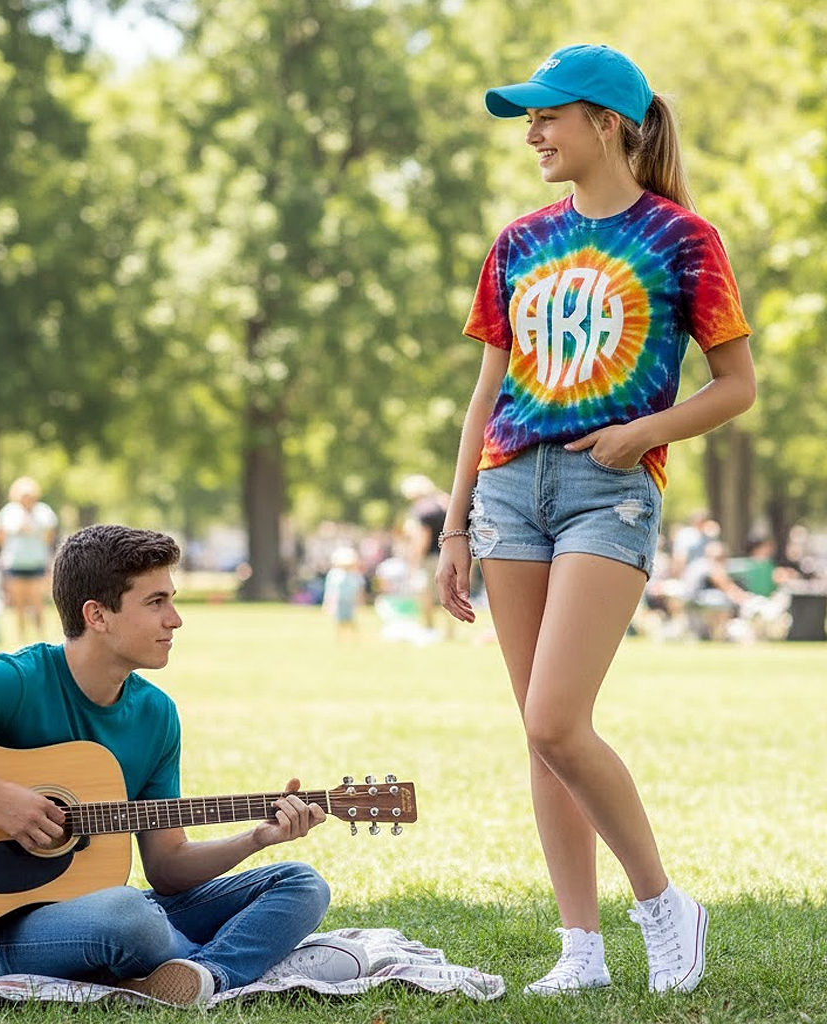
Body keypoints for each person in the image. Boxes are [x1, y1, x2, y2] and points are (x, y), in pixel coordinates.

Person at [434, 44, 755, 996]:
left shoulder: (683, 239)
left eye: (548, 117)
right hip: (506, 494)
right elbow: (485, 394)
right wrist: (453, 529)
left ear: (608, 123)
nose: (532, 133)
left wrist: (640, 435)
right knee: (539, 734)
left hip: (605, 490)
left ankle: (663, 906)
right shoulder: (519, 241)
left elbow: (735, 387)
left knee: (556, 717)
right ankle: (580, 949)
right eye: (528, 119)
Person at [0, 524, 365, 1006]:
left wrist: (256, 840)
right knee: (129, 917)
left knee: (301, 883)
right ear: (97, 615)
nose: (175, 619)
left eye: (172, 601)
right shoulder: (16, 681)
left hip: (97, 910)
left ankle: (202, 976)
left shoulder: (156, 714)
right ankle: (235, 959)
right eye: (156, 602)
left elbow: (167, 867)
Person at [0, 476, 58, 640]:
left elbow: (50, 537)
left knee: (38, 603)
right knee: (19, 604)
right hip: (15, 564)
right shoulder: (8, 512)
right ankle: (22, 637)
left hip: (36, 563)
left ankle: (40, 636)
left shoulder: (43, 512)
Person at [399, 475, 451, 637]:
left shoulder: (422, 510)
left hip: (430, 557)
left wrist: (414, 561)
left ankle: (429, 627)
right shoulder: (443, 503)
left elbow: (422, 538)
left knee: (426, 594)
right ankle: (449, 630)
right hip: (447, 554)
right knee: (447, 593)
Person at [321, 546, 365, 639]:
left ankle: (355, 638)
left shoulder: (355, 575)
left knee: (350, 620)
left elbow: (359, 589)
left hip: (349, 601)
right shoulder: (334, 574)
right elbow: (331, 590)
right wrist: (328, 603)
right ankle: (339, 638)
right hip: (339, 601)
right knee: (338, 620)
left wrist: (359, 601)